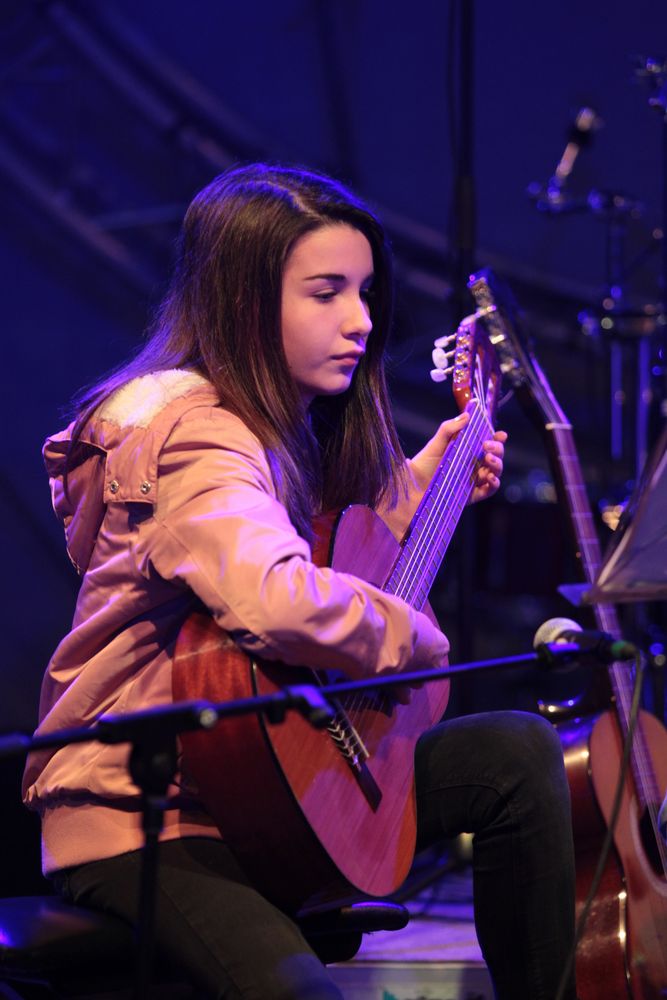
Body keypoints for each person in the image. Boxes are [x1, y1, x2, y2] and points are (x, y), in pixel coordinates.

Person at [23, 163, 576, 1000]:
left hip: (257, 794)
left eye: (363, 291)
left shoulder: (269, 428)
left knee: (515, 752)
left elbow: (328, 573)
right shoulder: (196, 434)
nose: (359, 321)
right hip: (152, 822)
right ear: (244, 298)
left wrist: (427, 484)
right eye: (325, 292)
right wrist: (416, 640)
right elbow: (274, 598)